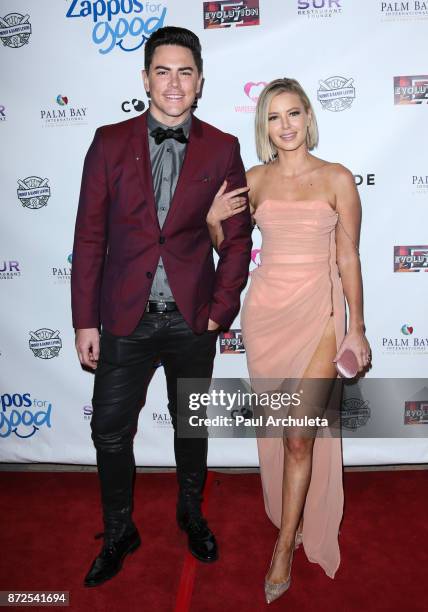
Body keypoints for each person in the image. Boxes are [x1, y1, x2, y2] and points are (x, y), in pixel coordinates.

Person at [71, 26, 252, 587]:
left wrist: (220, 310)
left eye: (186, 72)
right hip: (124, 319)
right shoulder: (108, 142)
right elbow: (90, 238)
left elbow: (240, 239)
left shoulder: (223, 148)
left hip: (192, 320)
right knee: (108, 430)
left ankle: (191, 514)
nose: (175, 83)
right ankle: (119, 529)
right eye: (163, 71)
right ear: (146, 77)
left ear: (200, 82)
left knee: (190, 427)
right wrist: (83, 320)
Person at [207, 78, 371, 603]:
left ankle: (283, 548)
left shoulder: (338, 178)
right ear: (265, 126)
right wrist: (213, 222)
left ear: (308, 118)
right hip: (266, 317)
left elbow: (349, 258)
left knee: (300, 434)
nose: (286, 125)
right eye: (275, 116)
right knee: (281, 431)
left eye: (294, 113)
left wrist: (358, 327)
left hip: (319, 317)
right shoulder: (253, 180)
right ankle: (289, 517)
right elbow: (228, 247)